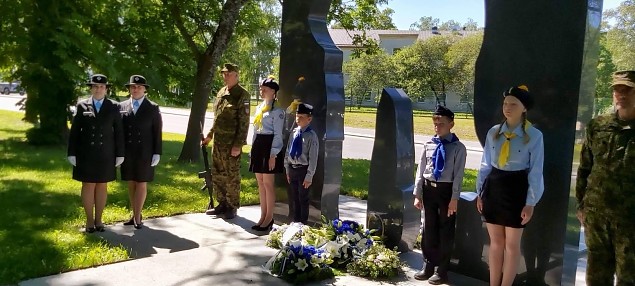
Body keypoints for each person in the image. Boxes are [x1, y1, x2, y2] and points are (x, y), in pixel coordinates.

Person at [475, 85, 544, 286]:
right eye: (505, 103)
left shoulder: (535, 136)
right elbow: (485, 165)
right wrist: (480, 192)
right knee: (496, 244)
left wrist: (530, 202)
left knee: (512, 245)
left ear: (524, 108)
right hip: (494, 188)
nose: (508, 107)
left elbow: (536, 172)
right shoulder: (494, 132)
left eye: (513, 104)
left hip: (517, 189)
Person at [576, 70, 635, 285]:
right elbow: (585, 168)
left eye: (627, 89)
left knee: (629, 277)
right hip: (597, 217)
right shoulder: (598, 126)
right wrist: (582, 205)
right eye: (617, 89)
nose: (620, 94)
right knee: (596, 276)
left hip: (630, 221)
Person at [413, 105, 467, 285]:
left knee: (445, 231)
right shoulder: (428, 144)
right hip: (429, 189)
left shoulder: (458, 147)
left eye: (441, 123)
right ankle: (428, 265)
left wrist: (454, 198)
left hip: (446, 192)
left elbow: (458, 175)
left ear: (451, 124)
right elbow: (420, 170)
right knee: (428, 229)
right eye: (435, 123)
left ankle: (441, 269)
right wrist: (417, 193)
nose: (437, 127)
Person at [67, 74, 125, 233]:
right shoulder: (82, 105)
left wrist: (120, 153)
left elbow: (119, 132)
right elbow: (74, 132)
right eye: (95, 86)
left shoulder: (114, 106)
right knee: (88, 185)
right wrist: (71, 152)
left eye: (101, 87)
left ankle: (99, 220)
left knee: (102, 186)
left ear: (106, 89)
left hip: (106, 153)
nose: (98, 89)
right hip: (85, 152)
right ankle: (89, 221)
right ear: (91, 88)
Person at [202, 63, 251, 219]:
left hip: (231, 144)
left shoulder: (242, 95)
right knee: (217, 173)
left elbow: (244, 122)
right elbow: (217, 118)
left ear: (236, 75)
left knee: (231, 176)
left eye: (228, 74)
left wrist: (238, 144)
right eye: (223, 74)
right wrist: (210, 135)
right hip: (218, 143)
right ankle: (221, 203)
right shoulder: (221, 92)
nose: (225, 76)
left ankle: (232, 206)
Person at [119, 75, 162, 229]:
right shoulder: (122, 106)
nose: (135, 89)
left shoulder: (153, 107)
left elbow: (157, 132)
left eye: (139, 87)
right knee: (131, 182)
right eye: (133, 87)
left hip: (145, 152)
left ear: (145, 89)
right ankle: (135, 213)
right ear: (129, 89)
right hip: (128, 151)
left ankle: (137, 217)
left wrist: (157, 152)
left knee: (141, 182)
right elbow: (119, 132)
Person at [249, 76, 285, 231]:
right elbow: (255, 130)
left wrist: (273, 154)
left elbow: (278, 134)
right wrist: (252, 149)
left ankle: (270, 218)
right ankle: (262, 216)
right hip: (259, 146)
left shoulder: (278, 112)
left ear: (274, 92)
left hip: (270, 147)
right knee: (260, 183)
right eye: (261, 88)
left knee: (268, 184)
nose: (262, 91)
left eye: (265, 89)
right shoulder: (259, 108)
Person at [284, 103, 318, 224]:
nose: (298, 119)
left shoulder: (311, 136)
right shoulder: (294, 132)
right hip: (293, 169)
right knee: (294, 198)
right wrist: (287, 169)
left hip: (303, 171)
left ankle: (303, 224)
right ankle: (295, 221)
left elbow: (313, 158)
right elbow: (288, 151)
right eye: (297, 116)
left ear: (309, 119)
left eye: (301, 117)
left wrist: (309, 176)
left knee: (303, 198)